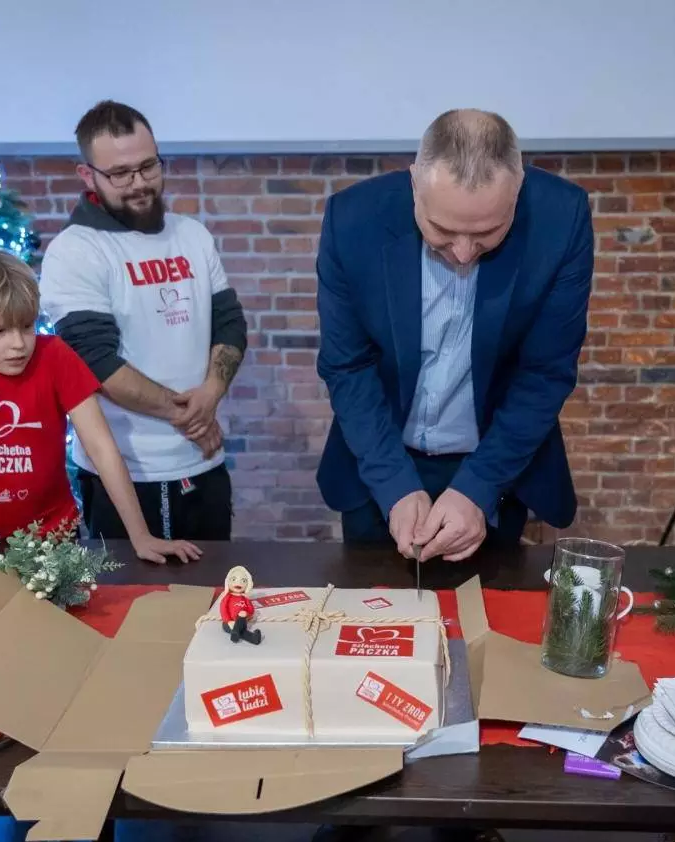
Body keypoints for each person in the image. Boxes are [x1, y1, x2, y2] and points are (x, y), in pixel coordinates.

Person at [316, 108, 594, 566]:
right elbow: (348, 367)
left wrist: (478, 487)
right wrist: (393, 485)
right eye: (442, 231)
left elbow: (544, 374)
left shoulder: (561, 220)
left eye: (487, 233)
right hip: (380, 459)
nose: (464, 253)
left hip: (496, 461)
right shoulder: (353, 220)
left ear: (518, 190)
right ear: (415, 184)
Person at [0, 248, 202, 571]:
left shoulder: (55, 356)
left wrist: (141, 537)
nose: (18, 343)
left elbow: (101, 448)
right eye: (0, 331)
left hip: (53, 542)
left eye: (27, 326)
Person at [38, 100, 247, 544]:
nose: (140, 184)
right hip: (128, 474)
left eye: (149, 167)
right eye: (121, 174)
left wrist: (210, 395)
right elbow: (96, 364)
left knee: (214, 601)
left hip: (205, 465)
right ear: (87, 175)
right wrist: (194, 418)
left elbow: (229, 322)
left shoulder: (192, 235)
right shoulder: (74, 251)